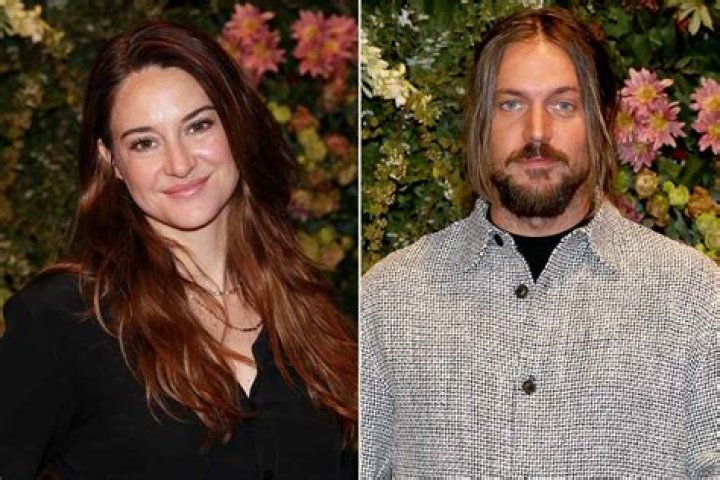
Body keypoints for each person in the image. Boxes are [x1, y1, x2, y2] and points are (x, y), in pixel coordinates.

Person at [361, 7, 718, 478]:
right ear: (480, 123)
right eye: (511, 104)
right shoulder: (388, 299)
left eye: (563, 105)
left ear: (601, 121)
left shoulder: (695, 300)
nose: (536, 132)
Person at [0, 21, 357, 479]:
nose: (180, 163)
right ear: (112, 162)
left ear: (235, 126)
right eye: (145, 143)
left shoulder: (308, 307)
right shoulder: (63, 318)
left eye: (198, 126)